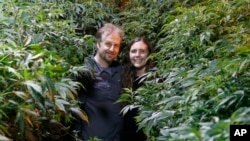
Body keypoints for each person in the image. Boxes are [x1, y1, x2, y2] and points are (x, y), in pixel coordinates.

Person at [71, 23, 124, 141]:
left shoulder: (121, 72)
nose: (112, 49)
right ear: (98, 44)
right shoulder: (84, 72)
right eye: (108, 44)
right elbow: (75, 112)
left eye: (116, 45)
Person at [121, 37, 155, 141]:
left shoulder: (157, 79)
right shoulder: (123, 77)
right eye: (134, 51)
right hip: (126, 136)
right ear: (129, 54)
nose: (137, 55)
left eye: (142, 51)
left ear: (149, 54)